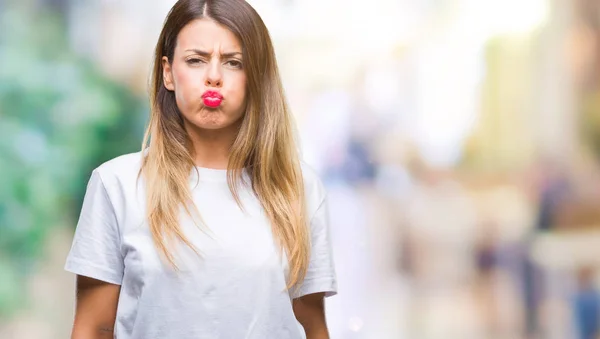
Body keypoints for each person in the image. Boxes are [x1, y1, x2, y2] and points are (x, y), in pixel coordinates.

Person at [64, 1, 338, 338]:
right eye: (196, 60)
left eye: (233, 62)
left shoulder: (298, 188)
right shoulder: (116, 184)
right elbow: (93, 326)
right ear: (168, 72)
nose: (213, 77)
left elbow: (313, 326)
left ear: (256, 77)